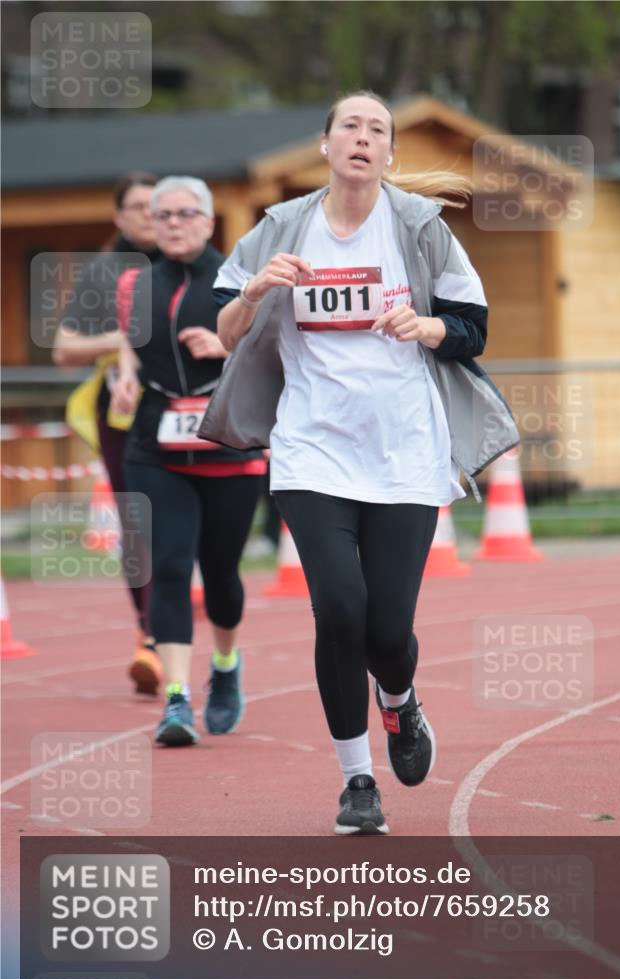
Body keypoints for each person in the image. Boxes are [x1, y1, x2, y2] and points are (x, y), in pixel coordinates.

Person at [203, 91, 518, 833]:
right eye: (351, 125)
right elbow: (223, 332)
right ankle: (356, 781)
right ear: (325, 144)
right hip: (312, 451)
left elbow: (472, 328)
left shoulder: (418, 227)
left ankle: (400, 702)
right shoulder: (281, 228)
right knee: (338, 610)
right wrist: (254, 289)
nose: (363, 138)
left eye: (378, 130)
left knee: (385, 632)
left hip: (404, 451)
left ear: (388, 155)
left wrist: (427, 324)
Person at [111, 176, 266, 746]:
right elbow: (130, 344)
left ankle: (225, 666)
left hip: (226, 439)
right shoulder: (134, 283)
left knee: (221, 574)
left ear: (207, 220)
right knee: (169, 569)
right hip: (155, 445)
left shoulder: (239, 280)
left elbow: (278, 349)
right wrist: (124, 377)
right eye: (164, 214)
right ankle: (176, 701)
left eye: (186, 213)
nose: (174, 223)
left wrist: (228, 348)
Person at [53, 171, 163, 695]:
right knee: (137, 520)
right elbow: (63, 349)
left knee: (186, 519)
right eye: (136, 207)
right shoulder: (103, 272)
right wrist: (125, 338)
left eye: (155, 205)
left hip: (183, 409)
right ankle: (150, 636)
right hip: (122, 413)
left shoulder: (186, 260)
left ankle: (176, 619)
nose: (148, 214)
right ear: (119, 217)